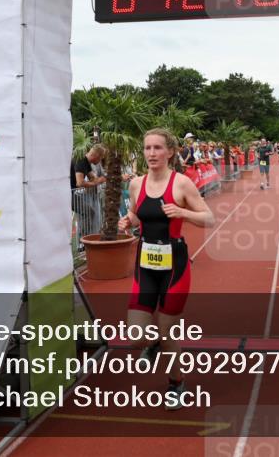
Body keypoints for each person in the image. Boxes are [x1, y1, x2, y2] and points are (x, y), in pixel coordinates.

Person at [117, 128, 214, 409]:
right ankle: (154, 343)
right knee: (136, 338)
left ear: (170, 152)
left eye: (157, 148)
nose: (151, 153)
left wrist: (182, 212)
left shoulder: (182, 184)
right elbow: (137, 214)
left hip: (175, 267)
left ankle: (176, 384)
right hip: (145, 264)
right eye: (147, 148)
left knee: (168, 332)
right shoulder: (137, 184)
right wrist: (128, 221)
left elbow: (209, 218)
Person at [74, 144, 107, 237]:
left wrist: (99, 180)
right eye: (100, 159)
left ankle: (86, 238)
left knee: (90, 213)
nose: (100, 161)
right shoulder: (81, 160)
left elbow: (93, 178)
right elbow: (79, 182)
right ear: (96, 156)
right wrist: (95, 183)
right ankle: (82, 239)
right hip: (72, 194)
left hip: (74, 194)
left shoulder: (87, 162)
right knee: (87, 213)